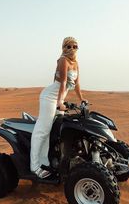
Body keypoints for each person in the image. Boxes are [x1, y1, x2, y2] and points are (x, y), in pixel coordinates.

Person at [30, 37, 87, 178]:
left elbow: (77, 84)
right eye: (68, 46)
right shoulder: (63, 60)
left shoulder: (76, 63)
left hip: (59, 99)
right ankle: (34, 166)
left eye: (74, 46)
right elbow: (63, 83)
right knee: (42, 131)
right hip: (50, 98)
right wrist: (59, 102)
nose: (71, 49)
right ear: (63, 48)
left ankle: (47, 161)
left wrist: (82, 99)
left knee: (57, 130)